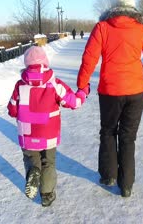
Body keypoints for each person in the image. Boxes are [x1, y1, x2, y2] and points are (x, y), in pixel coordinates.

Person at [76, 0, 143, 198]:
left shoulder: (103, 27)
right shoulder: (142, 29)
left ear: (113, 4)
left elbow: (89, 59)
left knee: (108, 131)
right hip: (135, 92)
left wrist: (82, 85)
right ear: (131, 4)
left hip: (110, 91)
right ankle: (126, 185)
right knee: (128, 137)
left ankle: (108, 176)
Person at [7, 46, 89, 207]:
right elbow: (73, 102)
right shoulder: (54, 84)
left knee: (31, 159)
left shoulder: (20, 86)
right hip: (48, 132)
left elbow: (12, 110)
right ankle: (47, 194)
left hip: (27, 132)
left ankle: (33, 171)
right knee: (48, 162)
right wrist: (83, 92)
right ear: (45, 63)